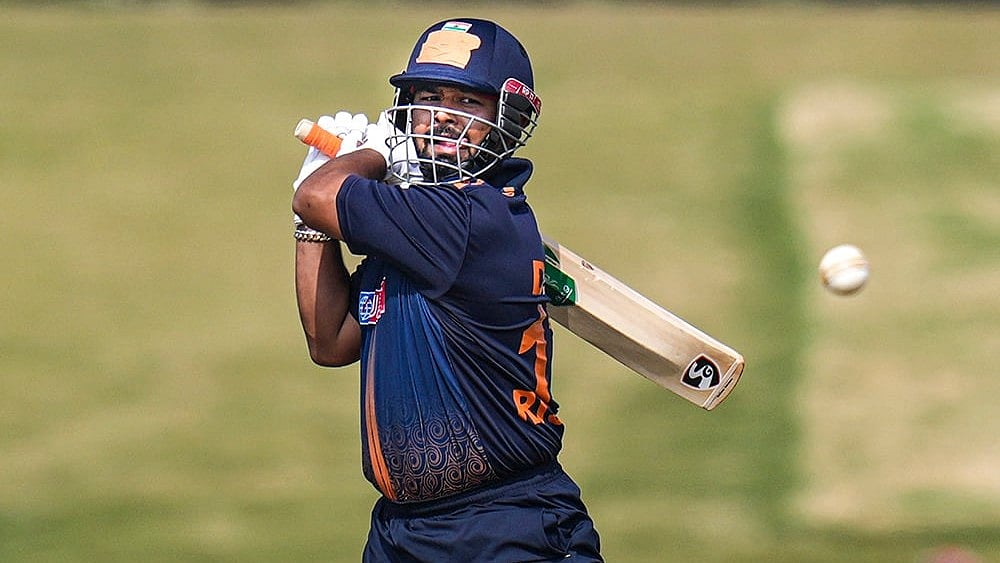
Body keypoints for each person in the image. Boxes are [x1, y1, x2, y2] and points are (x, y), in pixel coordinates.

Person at [291, 18, 602, 562]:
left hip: (506, 526)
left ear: (507, 121)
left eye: (467, 102)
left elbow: (318, 197)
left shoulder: (470, 221)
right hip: (402, 533)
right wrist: (312, 230)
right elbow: (331, 341)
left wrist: (369, 157)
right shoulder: (416, 227)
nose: (442, 115)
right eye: (429, 97)